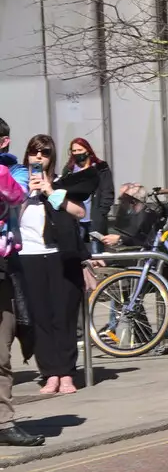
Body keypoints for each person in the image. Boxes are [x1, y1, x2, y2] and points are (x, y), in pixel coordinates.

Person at [17, 135, 89, 396]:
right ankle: (49, 374)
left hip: (60, 256)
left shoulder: (61, 184)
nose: (39, 157)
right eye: (34, 152)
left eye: (45, 153)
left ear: (52, 157)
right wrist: (26, 195)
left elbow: (80, 212)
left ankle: (67, 373)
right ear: (27, 155)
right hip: (28, 256)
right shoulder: (17, 186)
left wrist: (49, 192)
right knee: (40, 318)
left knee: (63, 317)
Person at [0, 147, 37, 445]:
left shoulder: (10, 172)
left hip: (3, 271)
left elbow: (17, 195)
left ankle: (3, 423)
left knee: (1, 354)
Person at [57, 137, 113, 247]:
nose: (77, 153)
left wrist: (102, 212)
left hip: (94, 218)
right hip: (77, 219)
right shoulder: (69, 170)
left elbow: (108, 191)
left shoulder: (101, 168)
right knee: (78, 251)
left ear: (87, 150)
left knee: (96, 252)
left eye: (80, 150)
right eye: (74, 151)